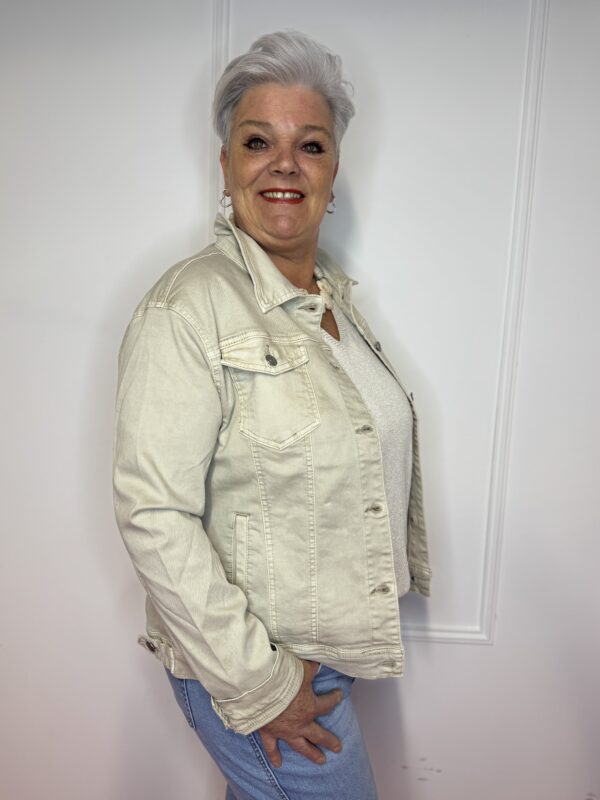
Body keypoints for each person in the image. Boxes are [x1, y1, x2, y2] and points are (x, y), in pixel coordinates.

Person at [113, 30, 431, 800]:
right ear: (226, 165)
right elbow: (153, 513)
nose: (285, 163)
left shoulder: (332, 304)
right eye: (259, 142)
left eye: (310, 145)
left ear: (333, 171)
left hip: (322, 657)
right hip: (255, 669)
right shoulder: (188, 307)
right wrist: (265, 686)